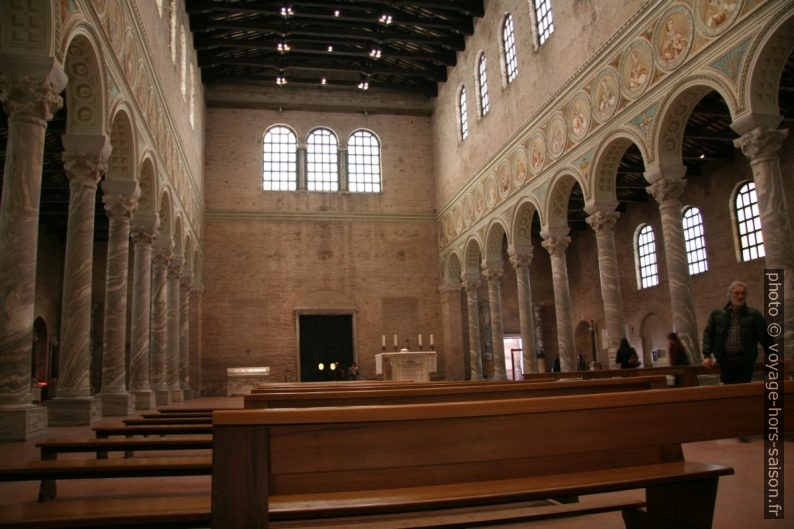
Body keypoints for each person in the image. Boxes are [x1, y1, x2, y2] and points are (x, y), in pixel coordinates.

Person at [702, 281, 770, 384]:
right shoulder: (717, 314)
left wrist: (773, 355)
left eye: (743, 293)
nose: (740, 296)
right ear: (729, 295)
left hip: (745, 361)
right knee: (728, 390)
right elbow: (708, 334)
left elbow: (765, 337)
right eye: (737, 293)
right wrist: (707, 355)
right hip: (725, 360)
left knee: (743, 390)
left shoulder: (754, 315)